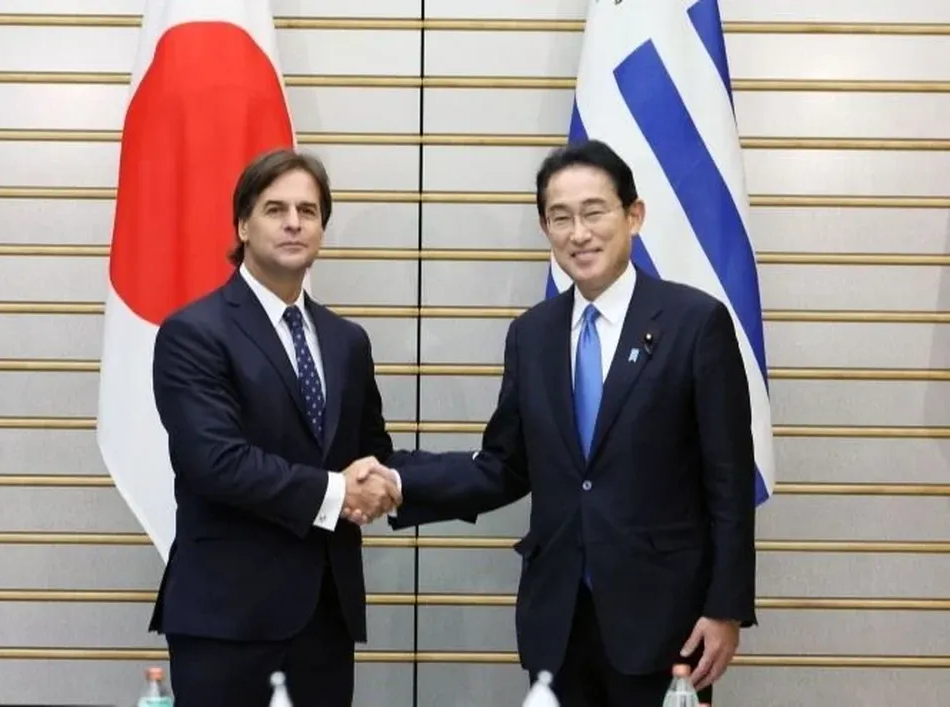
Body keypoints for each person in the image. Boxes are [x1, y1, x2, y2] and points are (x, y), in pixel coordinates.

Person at [365, 139, 758, 706]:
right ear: (545, 228)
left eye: (595, 212)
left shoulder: (694, 323)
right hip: (559, 619)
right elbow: (506, 464)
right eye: (561, 217)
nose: (580, 233)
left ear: (634, 215)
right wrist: (399, 483)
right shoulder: (533, 334)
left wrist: (726, 608)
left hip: (665, 619)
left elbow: (728, 477)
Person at [148, 147, 440, 707]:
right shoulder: (194, 332)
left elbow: (372, 456)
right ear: (242, 224)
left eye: (308, 211)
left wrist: (475, 473)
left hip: (323, 620)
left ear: (322, 229)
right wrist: (337, 491)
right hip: (225, 621)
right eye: (275, 208)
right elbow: (213, 461)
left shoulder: (346, 341)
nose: (292, 222)